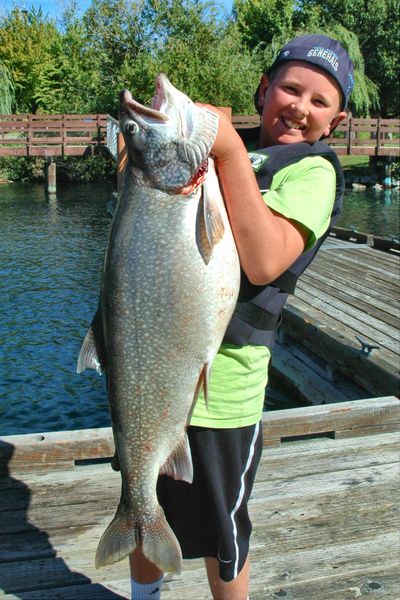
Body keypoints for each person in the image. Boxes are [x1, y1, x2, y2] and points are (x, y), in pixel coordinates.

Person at [129, 34, 354, 600]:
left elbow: (263, 260)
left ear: (337, 121)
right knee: (142, 504)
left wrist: (226, 151)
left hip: (225, 398)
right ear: (263, 90)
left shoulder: (311, 174)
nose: (301, 106)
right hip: (151, 384)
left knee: (222, 537)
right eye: (290, 87)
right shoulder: (219, 149)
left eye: (320, 100)